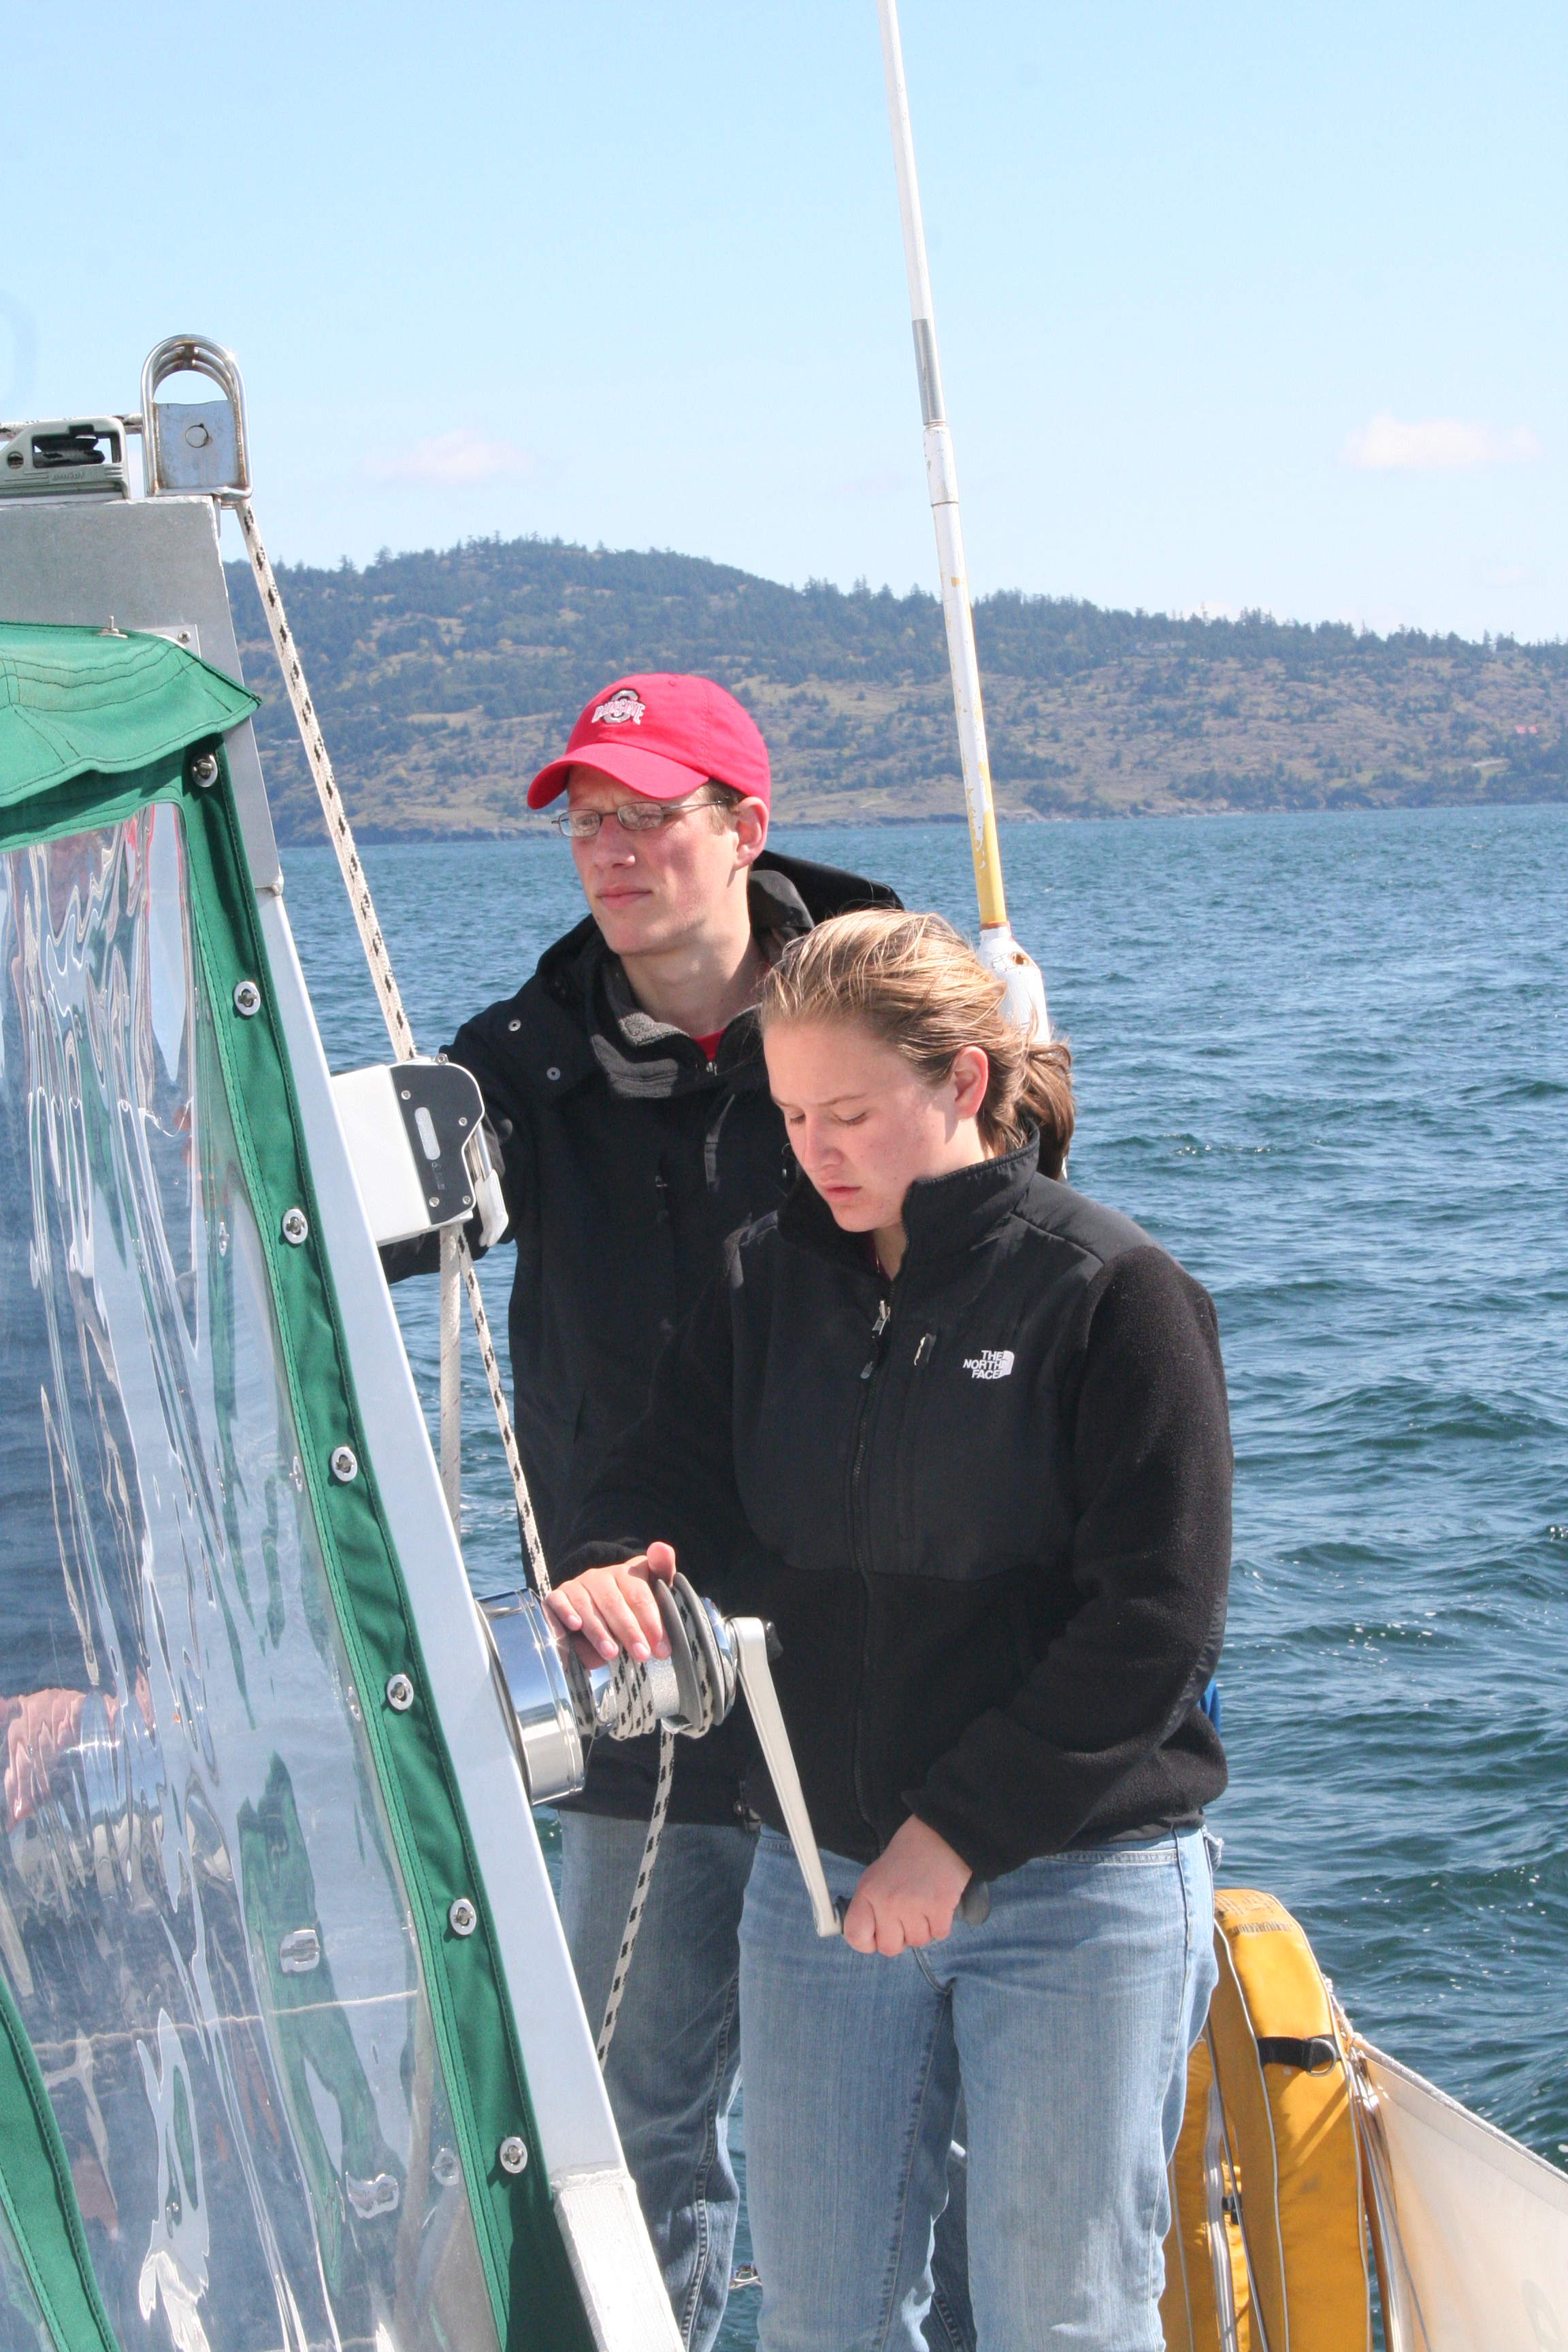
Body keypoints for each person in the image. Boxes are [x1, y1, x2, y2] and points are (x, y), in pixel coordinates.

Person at [544, 909, 1232, 2352]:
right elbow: (659, 1483)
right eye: (793, 1116)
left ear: (966, 1080)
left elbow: (1157, 1622)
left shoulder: (1114, 1295)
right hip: (824, 1887)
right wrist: (615, 1568)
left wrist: (957, 1833)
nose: (817, 1151)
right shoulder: (761, 1283)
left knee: (1059, 2322)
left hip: (1077, 1891)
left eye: (850, 1114)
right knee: (821, 2321)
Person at [390, 676, 979, 2351]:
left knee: (898, 2114)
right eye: (590, 820)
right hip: (630, 1652)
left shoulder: (890, 1022)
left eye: (652, 815)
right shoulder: (514, 1066)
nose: (614, 850)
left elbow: (1018, 1254)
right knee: (630, 2106)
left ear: (746, 828)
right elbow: (388, 1221)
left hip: (872, 1663)